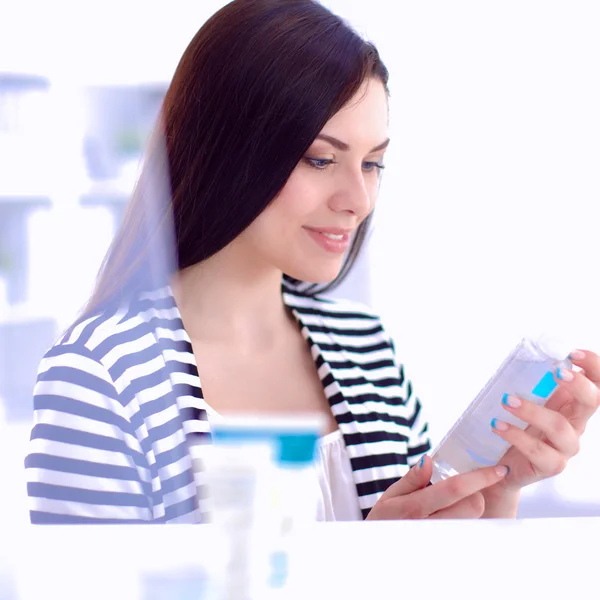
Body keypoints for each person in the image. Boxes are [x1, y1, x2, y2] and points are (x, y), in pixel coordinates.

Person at [25, 0, 599, 524]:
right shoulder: (99, 381)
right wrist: (362, 572)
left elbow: (433, 578)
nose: (359, 199)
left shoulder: (365, 346)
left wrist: (495, 490)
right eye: (321, 160)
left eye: (372, 163)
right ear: (227, 152)